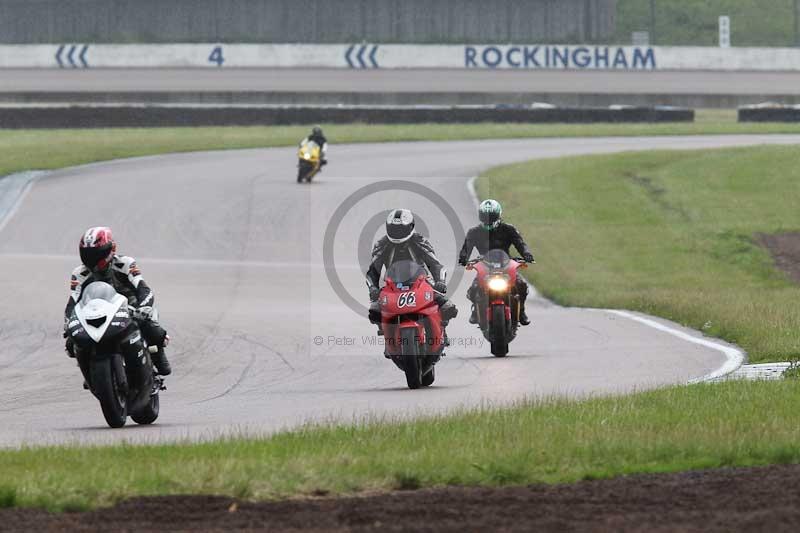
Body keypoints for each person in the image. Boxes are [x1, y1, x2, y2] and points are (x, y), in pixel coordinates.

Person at [64, 227, 172, 376]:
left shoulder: (125, 263)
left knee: (153, 331)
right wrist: (68, 323)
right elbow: (73, 301)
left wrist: (144, 308)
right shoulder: (79, 273)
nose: (92, 258)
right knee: (71, 344)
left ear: (111, 249)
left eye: (97, 253)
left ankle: (156, 354)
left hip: (130, 308)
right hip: (96, 311)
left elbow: (143, 288)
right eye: (87, 254)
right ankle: (91, 370)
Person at [366, 209, 457, 339]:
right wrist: (373, 288)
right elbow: (372, 272)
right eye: (394, 229)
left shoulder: (419, 240)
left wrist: (440, 282)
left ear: (411, 227)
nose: (397, 233)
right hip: (392, 284)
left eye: (401, 229)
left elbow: (436, 265)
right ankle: (387, 334)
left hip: (420, 281)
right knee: (374, 310)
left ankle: (441, 329)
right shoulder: (381, 244)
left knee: (446, 305)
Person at [458, 199, 535, 326]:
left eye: (491, 217)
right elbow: (467, 247)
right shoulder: (474, 232)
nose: (488, 220)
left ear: (498, 215)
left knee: (521, 285)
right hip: (485, 264)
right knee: (474, 287)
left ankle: (521, 312)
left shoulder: (509, 229)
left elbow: (520, 243)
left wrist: (527, 254)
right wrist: (463, 258)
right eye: (485, 217)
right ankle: (475, 310)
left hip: (506, 263)